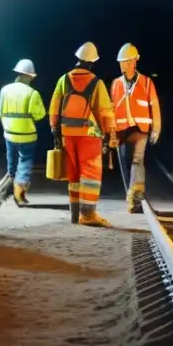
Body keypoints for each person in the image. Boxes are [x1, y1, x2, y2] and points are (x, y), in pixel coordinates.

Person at [48, 42, 117, 227]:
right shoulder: (96, 83)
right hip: (89, 133)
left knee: (73, 172)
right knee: (90, 172)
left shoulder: (63, 80)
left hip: (67, 133)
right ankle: (88, 215)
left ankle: (75, 214)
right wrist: (109, 134)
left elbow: (54, 108)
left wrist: (55, 130)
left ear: (78, 59)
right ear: (92, 62)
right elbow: (104, 112)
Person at [111, 43, 162, 213]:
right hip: (122, 131)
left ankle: (137, 198)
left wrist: (156, 129)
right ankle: (131, 196)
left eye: (124, 61)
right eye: (120, 62)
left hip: (141, 130)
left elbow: (155, 107)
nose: (122, 65)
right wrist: (111, 132)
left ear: (133, 62)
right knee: (125, 164)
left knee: (137, 161)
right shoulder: (116, 84)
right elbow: (111, 108)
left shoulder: (147, 83)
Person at [0, 58, 47, 206]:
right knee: (25, 160)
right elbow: (40, 115)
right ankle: (19, 189)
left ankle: (10, 181)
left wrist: (8, 126)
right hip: (27, 134)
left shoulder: (4, 90)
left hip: (9, 133)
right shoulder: (33, 93)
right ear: (28, 76)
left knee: (11, 159)